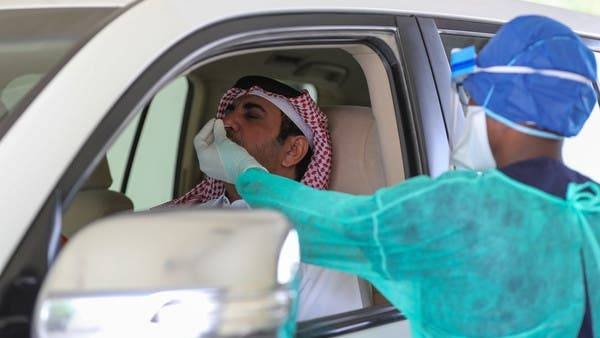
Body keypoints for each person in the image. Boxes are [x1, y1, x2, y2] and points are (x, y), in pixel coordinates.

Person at [193, 16, 600, 337]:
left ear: (494, 98)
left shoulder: (457, 210)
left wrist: (245, 173)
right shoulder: (591, 207)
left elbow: (319, 226)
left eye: (470, 94)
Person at [167, 75, 364, 321]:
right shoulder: (183, 216)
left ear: (292, 151)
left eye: (251, 115)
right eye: (228, 111)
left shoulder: (315, 246)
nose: (226, 122)